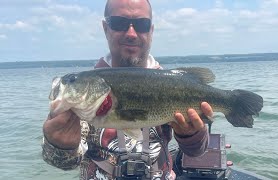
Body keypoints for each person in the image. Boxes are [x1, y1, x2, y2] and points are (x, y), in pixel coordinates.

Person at [42, 0, 214, 179]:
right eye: (119, 23)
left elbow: (196, 152)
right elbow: (62, 163)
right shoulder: (87, 91)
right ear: (105, 28)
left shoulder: (174, 84)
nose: (131, 33)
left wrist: (192, 136)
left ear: (151, 31)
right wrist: (60, 146)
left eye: (141, 25)